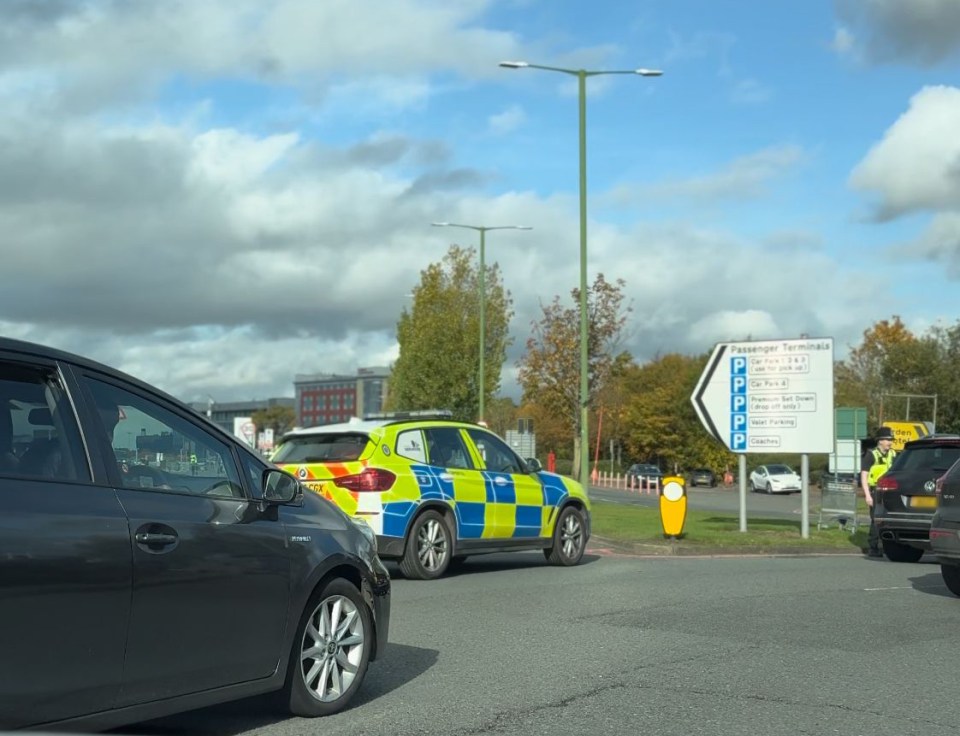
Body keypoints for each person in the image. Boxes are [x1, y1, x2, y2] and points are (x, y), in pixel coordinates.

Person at [861, 426, 896, 558]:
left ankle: (888, 546)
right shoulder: (871, 454)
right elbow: (864, 475)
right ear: (880, 440)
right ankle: (873, 547)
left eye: (891, 440)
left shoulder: (893, 454)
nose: (890, 442)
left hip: (889, 490)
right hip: (875, 490)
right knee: (876, 519)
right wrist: (867, 495)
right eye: (887, 440)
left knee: (889, 519)